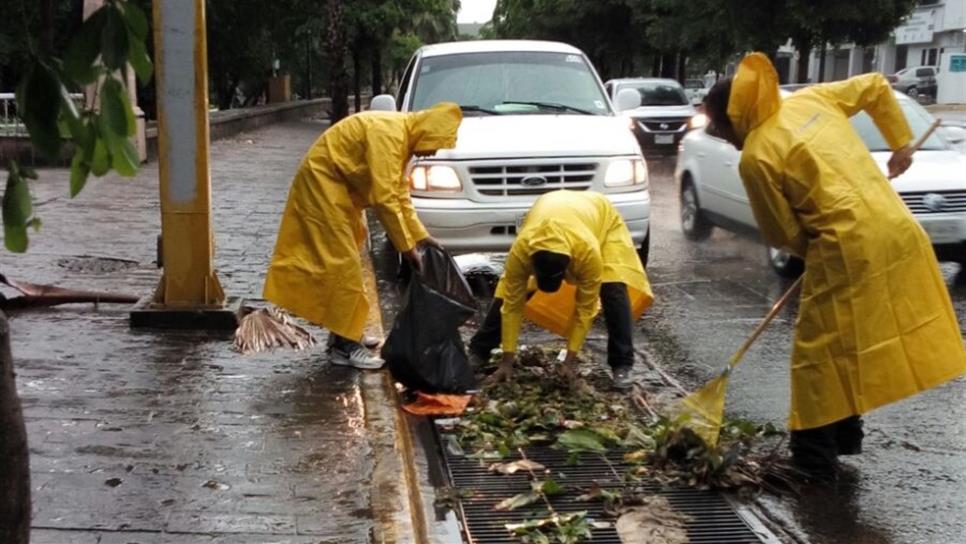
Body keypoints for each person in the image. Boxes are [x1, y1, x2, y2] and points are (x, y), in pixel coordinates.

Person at [702, 53, 966, 480]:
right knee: (851, 341)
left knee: (818, 355)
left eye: (721, 125)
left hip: (847, 246)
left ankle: (813, 461)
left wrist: (821, 251)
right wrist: (900, 141)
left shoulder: (756, 155)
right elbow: (877, 86)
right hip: (900, 230)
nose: (720, 134)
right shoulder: (812, 100)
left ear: (739, 115)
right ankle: (844, 438)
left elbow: (782, 232)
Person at [264, 102, 462, 369]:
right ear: (427, 133)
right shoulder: (390, 135)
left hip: (338, 192)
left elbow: (398, 193)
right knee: (343, 268)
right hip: (324, 187)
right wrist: (406, 248)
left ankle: (345, 333)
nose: (432, 152)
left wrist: (421, 236)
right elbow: (383, 199)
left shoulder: (402, 138)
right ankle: (345, 347)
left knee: (346, 266)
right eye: (436, 144)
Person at [470, 190, 653, 391]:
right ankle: (480, 350)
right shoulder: (522, 250)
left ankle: (622, 364)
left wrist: (569, 360)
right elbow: (511, 306)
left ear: (568, 269)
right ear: (532, 266)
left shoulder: (587, 253)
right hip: (550, 209)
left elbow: (585, 309)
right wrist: (506, 361)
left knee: (613, 286)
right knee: (509, 293)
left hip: (600, 217)